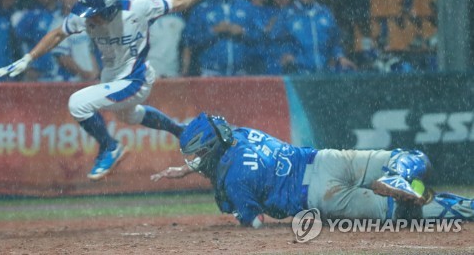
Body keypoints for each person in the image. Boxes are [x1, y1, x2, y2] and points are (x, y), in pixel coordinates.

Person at [0, 0, 235, 180]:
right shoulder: (86, 14)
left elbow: (180, 2)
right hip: (112, 75)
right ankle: (179, 130)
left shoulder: (137, 6)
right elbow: (58, 33)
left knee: (77, 103)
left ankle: (110, 146)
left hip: (135, 79)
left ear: (109, 9)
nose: (90, 19)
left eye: (95, 14)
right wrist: (28, 58)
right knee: (128, 115)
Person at [151, 112, 474, 228]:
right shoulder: (244, 134)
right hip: (324, 160)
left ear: (211, 148)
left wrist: (240, 210)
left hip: (320, 197)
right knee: (410, 156)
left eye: (199, 153)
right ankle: (399, 175)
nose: (198, 159)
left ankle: (463, 210)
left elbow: (254, 223)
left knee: (402, 213)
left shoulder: (234, 181)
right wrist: (189, 168)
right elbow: (225, 153)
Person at [270, 0, 356, 74]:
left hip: (326, 73)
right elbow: (276, 41)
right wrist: (287, 54)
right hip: (299, 74)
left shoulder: (325, 13)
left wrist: (340, 57)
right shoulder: (287, 15)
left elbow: (334, 42)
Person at [184, 0, 257, 76]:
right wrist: (213, 31)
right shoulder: (202, 9)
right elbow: (190, 40)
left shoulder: (247, 7)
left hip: (240, 73)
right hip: (210, 72)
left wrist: (243, 31)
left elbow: (261, 37)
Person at [51, 0, 99, 82]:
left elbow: (89, 51)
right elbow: (63, 59)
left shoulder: (84, 21)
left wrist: (95, 74)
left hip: (85, 81)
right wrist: (86, 74)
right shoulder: (57, 23)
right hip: (66, 81)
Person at [14, 0, 61, 81]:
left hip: (63, 74)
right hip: (38, 76)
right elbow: (20, 44)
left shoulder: (63, 12)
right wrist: (28, 66)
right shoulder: (30, 16)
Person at [140, 0, 185, 78]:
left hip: (172, 73)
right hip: (148, 75)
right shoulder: (138, 19)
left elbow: (186, 45)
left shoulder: (177, 17)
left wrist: (185, 70)